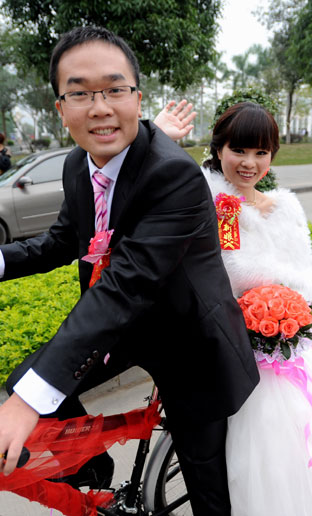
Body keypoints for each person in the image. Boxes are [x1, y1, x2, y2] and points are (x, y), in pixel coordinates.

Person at [0, 27, 259, 516]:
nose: (99, 107)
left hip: (189, 342)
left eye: (114, 89)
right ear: (61, 108)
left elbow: (125, 285)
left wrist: (23, 409)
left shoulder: (174, 175)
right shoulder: (78, 164)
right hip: (126, 328)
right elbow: (65, 240)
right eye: (79, 93)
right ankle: (93, 470)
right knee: (28, 379)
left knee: (206, 483)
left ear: (137, 97)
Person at [160, 100, 312, 515]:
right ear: (219, 149)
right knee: (268, 457)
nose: (249, 163)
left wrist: (295, 301)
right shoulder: (220, 206)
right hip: (244, 354)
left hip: (296, 348)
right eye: (239, 151)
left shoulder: (286, 207)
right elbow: (230, 272)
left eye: (261, 152)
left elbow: (306, 270)